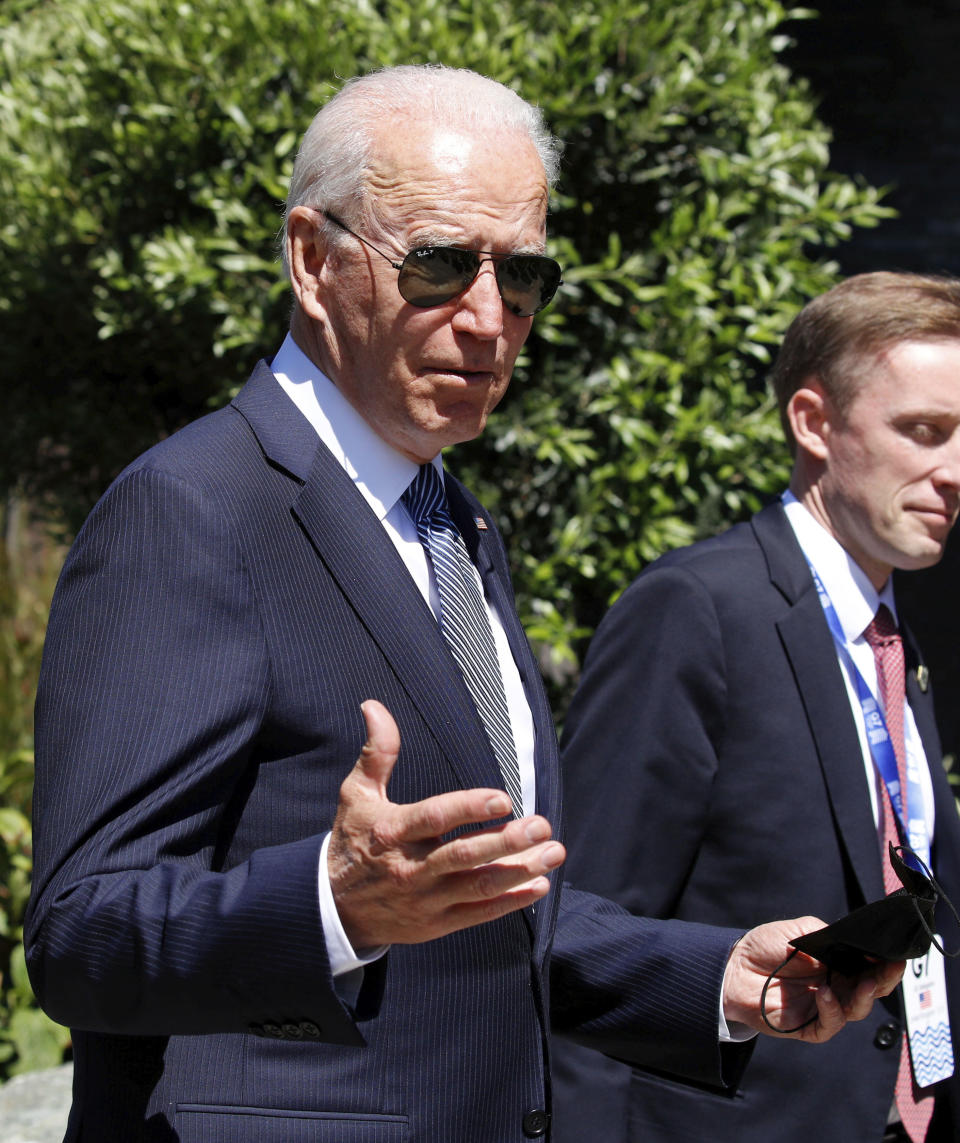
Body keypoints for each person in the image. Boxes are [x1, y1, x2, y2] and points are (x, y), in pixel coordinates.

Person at [25, 68, 897, 1143]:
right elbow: (81, 933)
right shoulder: (192, 510)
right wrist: (331, 907)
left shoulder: (454, 523)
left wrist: (714, 977)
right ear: (312, 258)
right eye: (439, 266)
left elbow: (479, 911)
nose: (489, 320)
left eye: (523, 277)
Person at [552, 271, 960, 1143]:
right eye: (923, 431)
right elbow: (576, 924)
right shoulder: (698, 608)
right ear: (812, 421)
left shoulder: (890, 638)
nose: (954, 471)